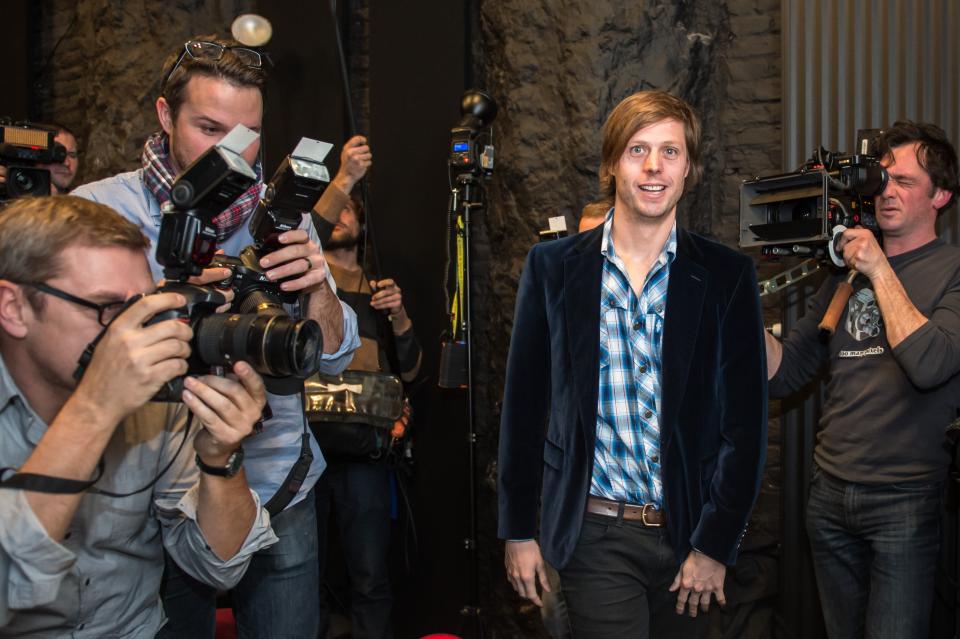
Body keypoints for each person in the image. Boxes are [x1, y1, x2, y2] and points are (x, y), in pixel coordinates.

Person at [71, 35, 360, 638]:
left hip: (277, 482)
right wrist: (176, 301)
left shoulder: (286, 215)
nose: (230, 152)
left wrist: (318, 289)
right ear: (163, 116)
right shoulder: (99, 213)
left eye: (246, 134)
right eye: (208, 127)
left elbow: (333, 358)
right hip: (152, 500)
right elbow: (65, 363)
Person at [497, 90, 768, 638]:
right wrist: (518, 530)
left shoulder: (726, 275)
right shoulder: (553, 268)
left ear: (688, 167)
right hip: (596, 532)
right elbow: (524, 410)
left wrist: (715, 544)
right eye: (638, 149)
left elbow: (747, 428)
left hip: (692, 529)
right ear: (611, 164)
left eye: (670, 152)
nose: (653, 167)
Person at [0, 195, 277, 636]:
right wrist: (95, 408)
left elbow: (218, 567)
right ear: (13, 307)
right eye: (107, 308)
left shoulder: (158, 405)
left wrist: (220, 458)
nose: (134, 334)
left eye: (143, 308)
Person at [765, 120, 960, 639]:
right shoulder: (844, 275)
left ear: (941, 195)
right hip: (828, 497)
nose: (885, 193)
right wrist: (741, 312)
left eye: (905, 183)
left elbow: (931, 364)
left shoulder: (952, 271)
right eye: (881, 179)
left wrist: (877, 266)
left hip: (904, 502)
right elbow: (787, 373)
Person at [308, 135, 422, 638]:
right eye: (334, 211)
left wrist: (398, 317)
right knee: (298, 576)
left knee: (371, 579)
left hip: (364, 455)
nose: (338, 218)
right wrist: (343, 178)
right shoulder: (307, 277)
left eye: (349, 212)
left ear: (362, 226)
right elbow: (307, 229)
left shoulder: (377, 289)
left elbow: (414, 373)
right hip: (302, 448)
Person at [39, 125, 80, 194]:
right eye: (57, 154)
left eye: (72, 155)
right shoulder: (17, 201)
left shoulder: (84, 200)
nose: (67, 163)